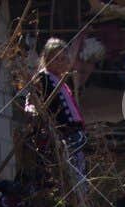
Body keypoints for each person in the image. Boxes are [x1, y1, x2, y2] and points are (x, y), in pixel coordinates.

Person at [27, 38, 87, 181]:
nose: (60, 62)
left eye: (63, 58)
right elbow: (31, 101)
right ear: (47, 59)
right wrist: (33, 112)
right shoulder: (43, 78)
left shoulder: (63, 82)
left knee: (79, 171)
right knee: (69, 173)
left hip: (75, 133)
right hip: (63, 134)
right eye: (56, 58)